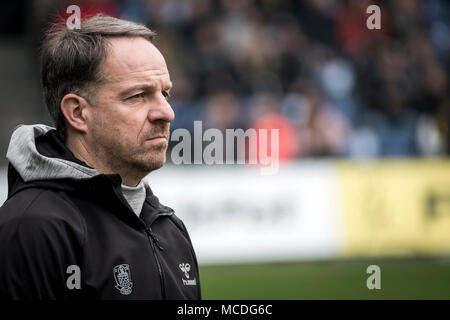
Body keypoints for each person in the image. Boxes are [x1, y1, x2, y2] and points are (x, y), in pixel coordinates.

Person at [0, 14, 201, 300]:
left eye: (164, 94)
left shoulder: (168, 227)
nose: (166, 113)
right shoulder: (31, 229)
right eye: (137, 96)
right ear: (78, 113)